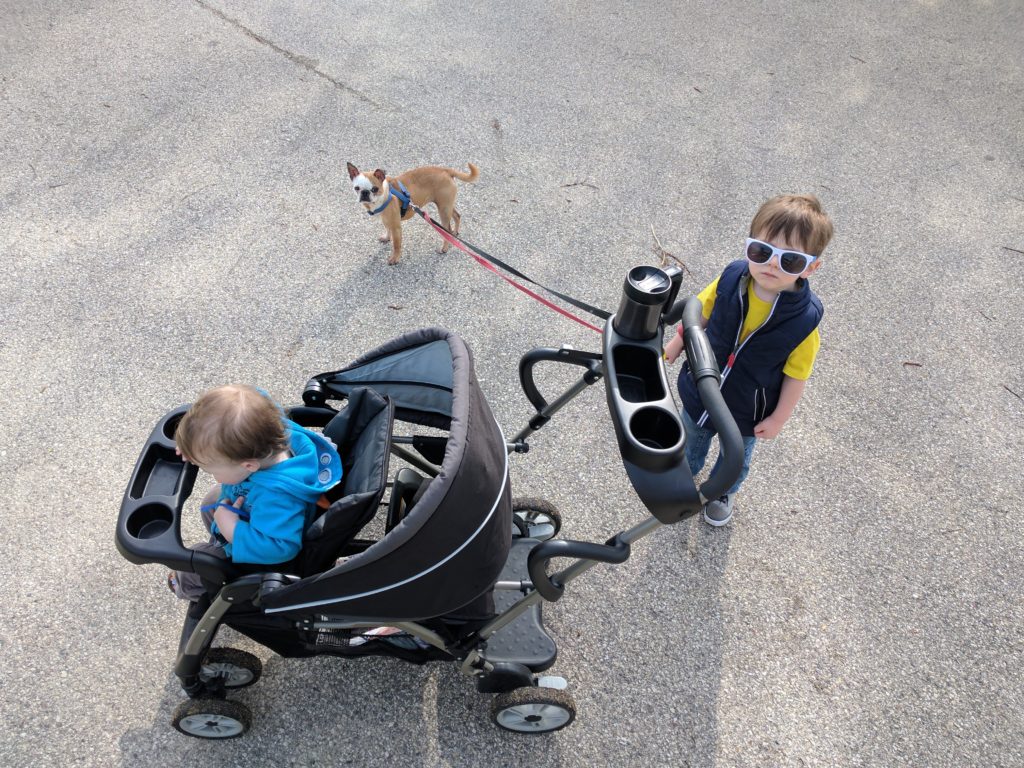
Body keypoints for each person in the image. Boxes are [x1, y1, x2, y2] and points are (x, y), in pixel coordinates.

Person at [664, 193, 832, 526]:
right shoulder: (730, 279)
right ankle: (684, 476)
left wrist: (779, 418)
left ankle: (722, 491)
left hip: (747, 409)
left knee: (735, 457)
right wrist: (675, 344)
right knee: (691, 436)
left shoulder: (804, 323)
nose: (771, 264)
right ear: (749, 246)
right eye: (762, 251)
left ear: (811, 267)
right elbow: (699, 313)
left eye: (791, 261)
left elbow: (797, 376)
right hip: (702, 387)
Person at [167, 384, 342, 600]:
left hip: (263, 557)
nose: (209, 472)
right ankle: (222, 537)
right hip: (254, 512)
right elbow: (253, 401)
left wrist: (231, 529)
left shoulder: (277, 497)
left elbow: (281, 547)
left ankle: (189, 588)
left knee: (198, 562)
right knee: (212, 499)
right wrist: (196, 444)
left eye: (209, 469)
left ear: (248, 466)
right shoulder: (273, 430)